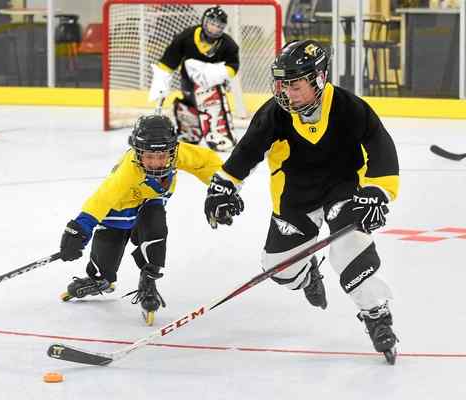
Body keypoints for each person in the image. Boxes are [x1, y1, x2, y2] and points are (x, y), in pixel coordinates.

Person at [203, 39, 400, 363]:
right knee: (276, 269)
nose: (287, 93)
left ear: (319, 79)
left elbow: (382, 150)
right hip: (294, 199)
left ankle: (377, 314)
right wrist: (223, 186)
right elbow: (245, 154)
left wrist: (378, 193)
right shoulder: (274, 114)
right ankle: (308, 275)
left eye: (295, 85)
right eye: (283, 84)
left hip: (343, 190)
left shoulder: (349, 108)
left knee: (350, 247)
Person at [58, 114, 224, 326]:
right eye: (149, 156)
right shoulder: (129, 169)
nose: (156, 163)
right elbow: (104, 197)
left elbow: (208, 162)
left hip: (150, 202)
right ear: (137, 152)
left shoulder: (180, 153)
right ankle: (101, 278)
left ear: (173, 150)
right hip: (119, 209)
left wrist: (222, 190)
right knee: (106, 256)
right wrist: (79, 227)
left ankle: (149, 281)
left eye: (162, 155)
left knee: (155, 228)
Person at [148, 6, 239, 152]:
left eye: (218, 26)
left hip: (211, 86)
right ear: (204, 22)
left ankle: (220, 136)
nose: (214, 29)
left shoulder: (228, 44)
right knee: (186, 107)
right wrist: (161, 82)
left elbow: (232, 67)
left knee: (212, 103)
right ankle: (189, 134)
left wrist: (211, 74)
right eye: (212, 24)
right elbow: (168, 61)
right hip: (187, 83)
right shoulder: (186, 37)